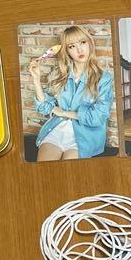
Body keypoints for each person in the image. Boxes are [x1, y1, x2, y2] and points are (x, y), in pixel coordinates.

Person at [27, 24, 114, 161]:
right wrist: (36, 79)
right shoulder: (59, 75)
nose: (79, 49)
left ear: (89, 44)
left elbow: (98, 117)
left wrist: (64, 113)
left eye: (82, 42)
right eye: (72, 46)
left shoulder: (103, 79)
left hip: (84, 136)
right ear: (67, 51)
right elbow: (44, 107)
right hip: (56, 130)